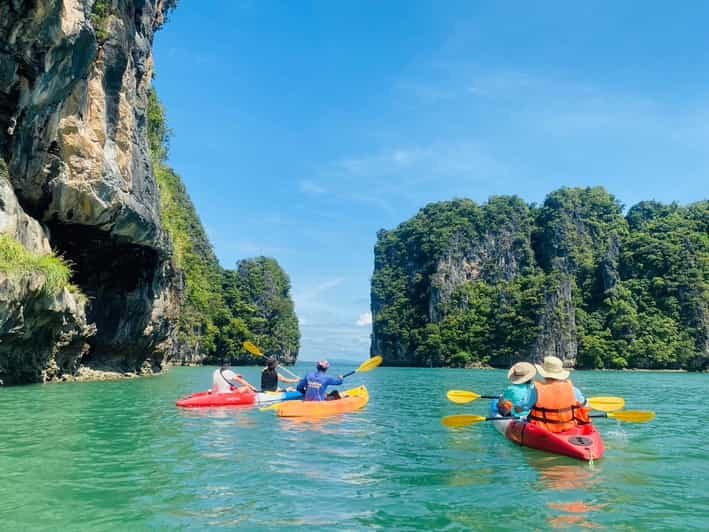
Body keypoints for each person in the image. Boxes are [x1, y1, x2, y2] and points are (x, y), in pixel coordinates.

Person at [525, 356, 590, 432]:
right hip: (568, 427)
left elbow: (523, 407)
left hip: (542, 429)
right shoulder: (573, 389)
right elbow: (586, 406)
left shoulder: (536, 390)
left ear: (544, 373)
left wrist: (517, 409)